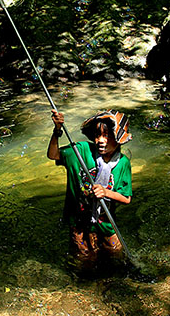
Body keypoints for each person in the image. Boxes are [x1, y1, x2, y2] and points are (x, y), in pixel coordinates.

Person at [47, 108, 132, 275]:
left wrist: (106, 192)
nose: (100, 140)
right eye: (97, 135)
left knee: (116, 256)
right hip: (79, 222)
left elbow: (126, 198)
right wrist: (57, 130)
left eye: (107, 135)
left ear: (118, 138)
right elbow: (53, 155)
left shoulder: (123, 163)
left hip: (106, 223)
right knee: (84, 260)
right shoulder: (80, 151)